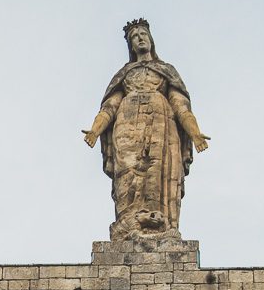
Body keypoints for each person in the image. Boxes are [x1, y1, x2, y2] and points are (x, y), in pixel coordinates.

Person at [83, 18, 210, 238]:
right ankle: (127, 224)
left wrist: (195, 133)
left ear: (150, 39)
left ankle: (160, 225)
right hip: (127, 123)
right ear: (130, 45)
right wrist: (95, 130)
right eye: (134, 37)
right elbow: (110, 106)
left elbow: (180, 106)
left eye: (143, 34)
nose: (140, 39)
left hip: (161, 123)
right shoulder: (125, 74)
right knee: (128, 174)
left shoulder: (165, 70)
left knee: (157, 170)